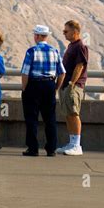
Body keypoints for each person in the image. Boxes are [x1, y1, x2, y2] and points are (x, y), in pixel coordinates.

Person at [21, 24, 65, 156]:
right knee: (50, 118)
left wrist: (24, 88)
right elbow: (62, 73)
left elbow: (25, 73)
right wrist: (56, 87)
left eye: (35, 34)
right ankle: (51, 149)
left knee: (31, 118)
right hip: (49, 85)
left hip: (34, 85)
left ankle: (33, 148)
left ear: (39, 36)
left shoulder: (31, 51)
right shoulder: (55, 51)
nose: (34, 37)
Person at [56, 20, 89, 156]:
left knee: (74, 113)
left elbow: (79, 66)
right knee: (68, 114)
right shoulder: (71, 46)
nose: (64, 34)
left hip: (73, 86)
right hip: (65, 85)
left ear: (75, 32)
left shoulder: (80, 46)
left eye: (66, 31)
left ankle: (77, 145)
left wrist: (71, 83)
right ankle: (71, 142)